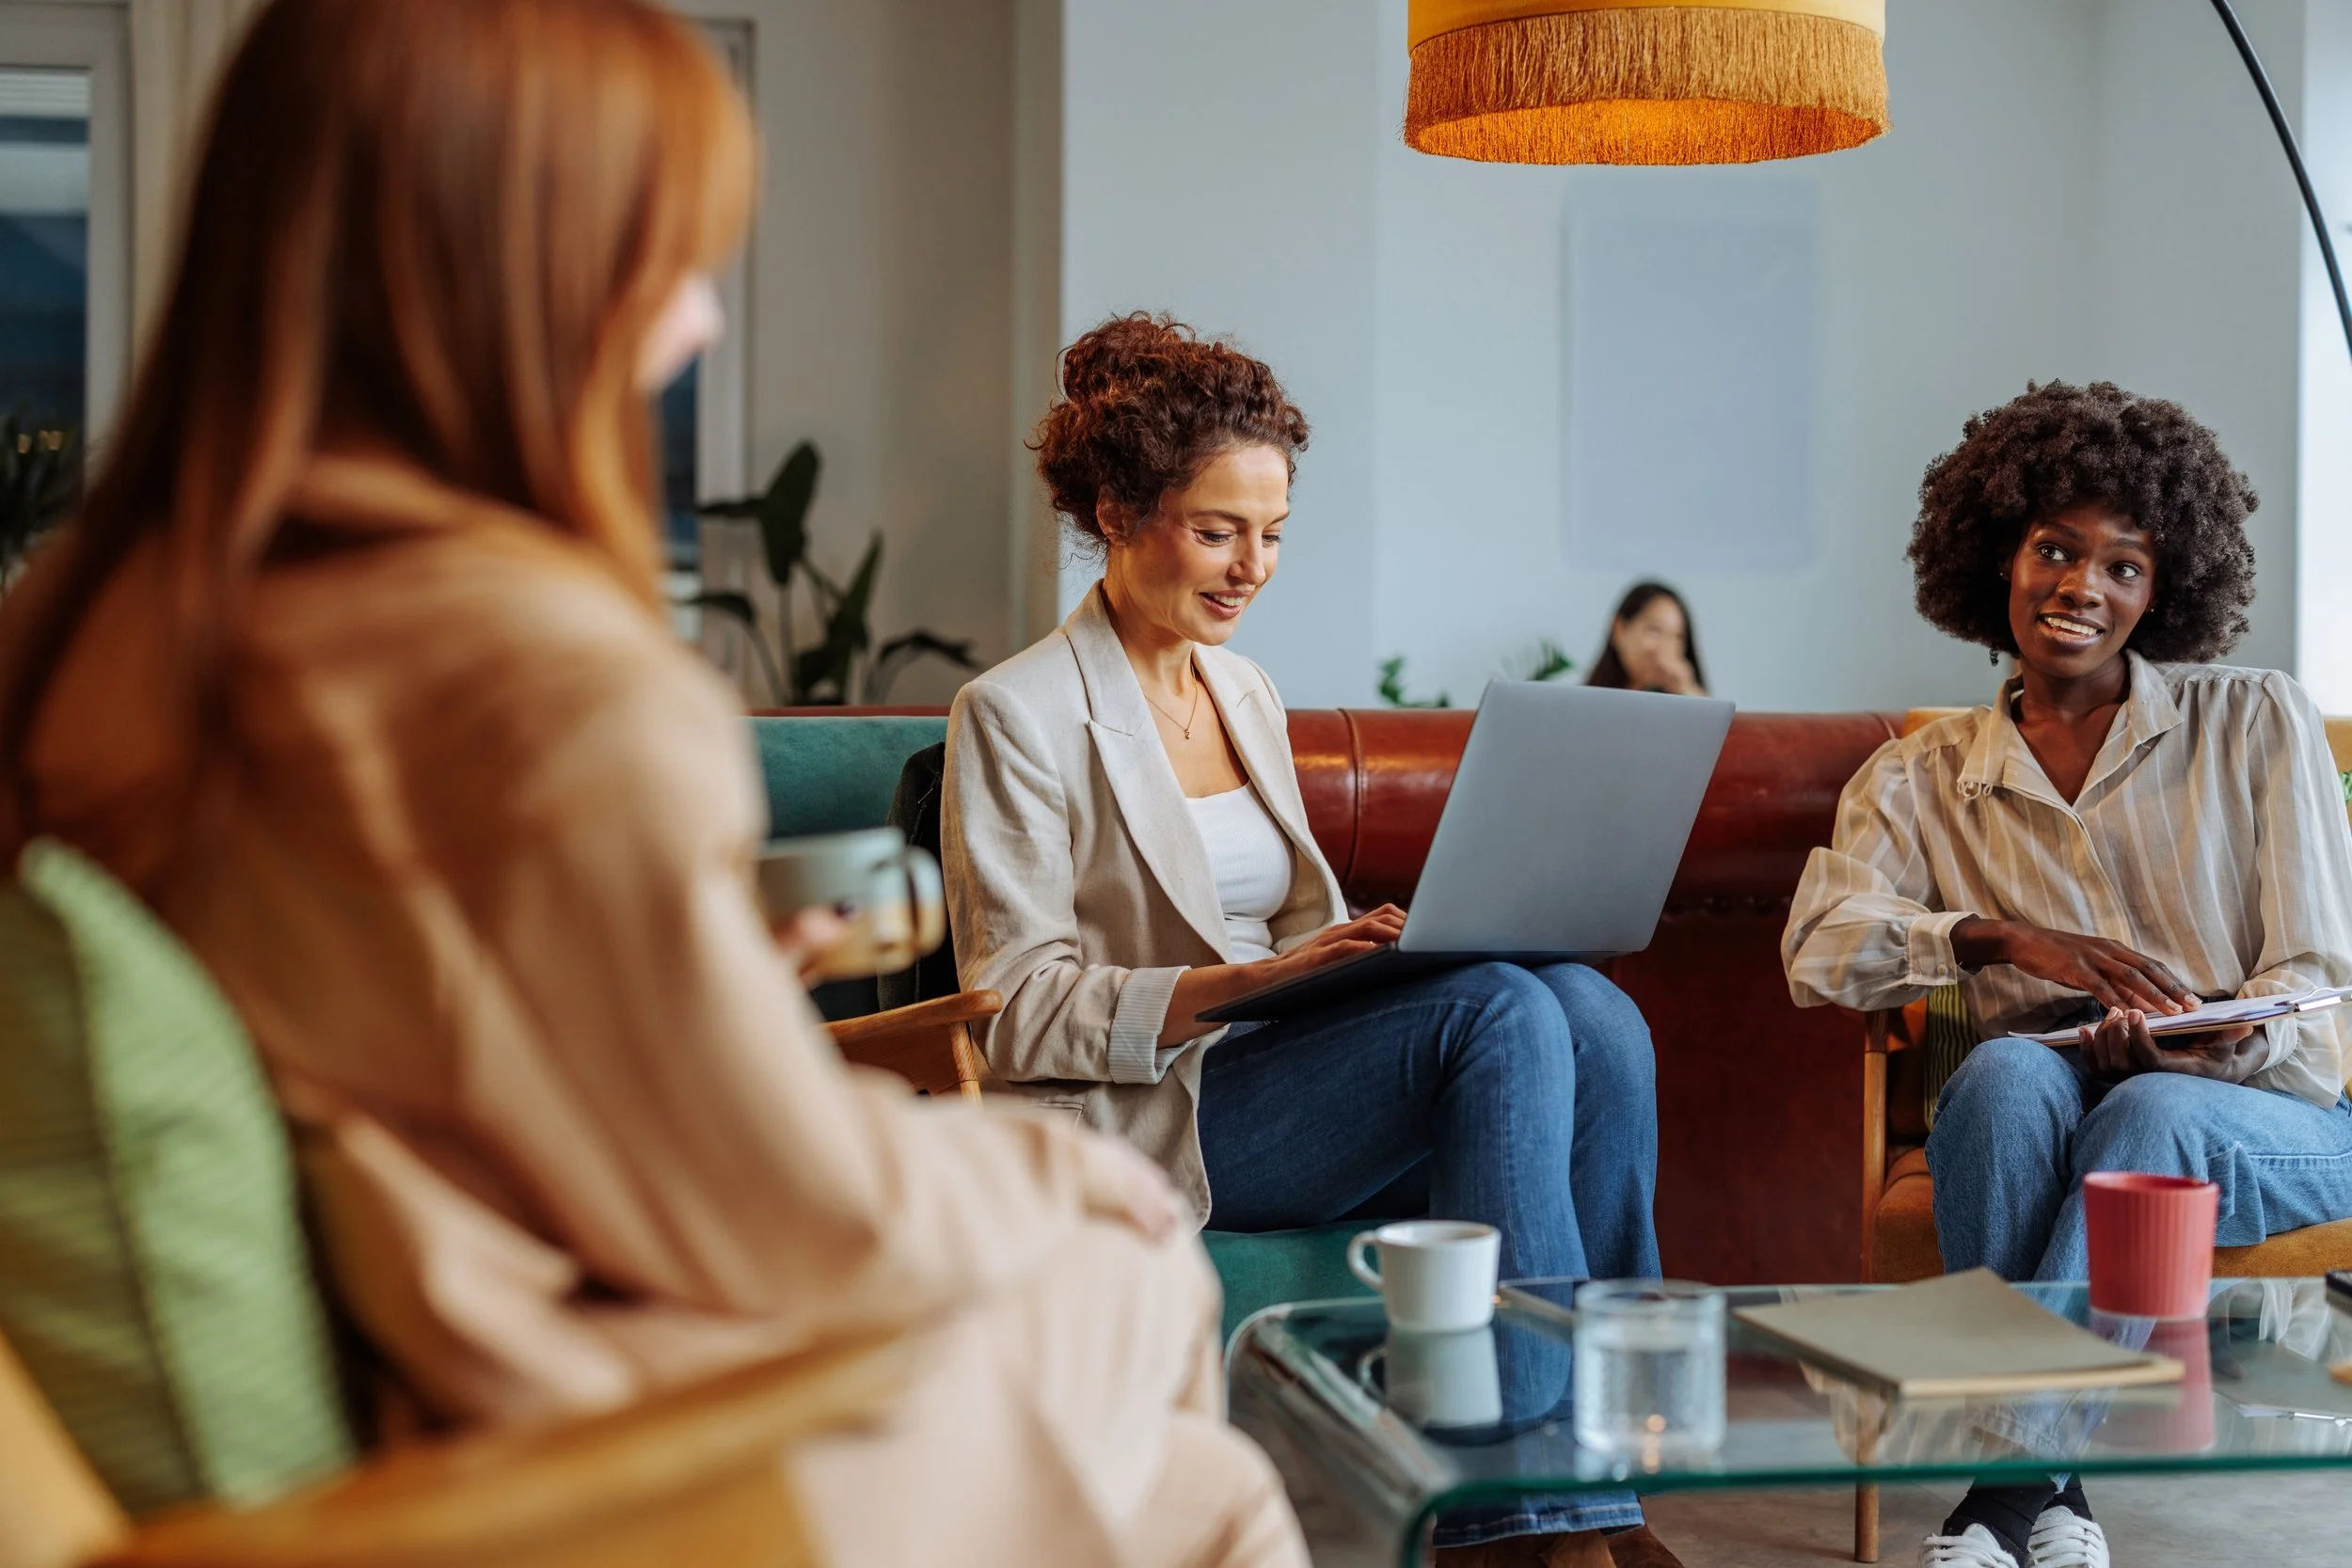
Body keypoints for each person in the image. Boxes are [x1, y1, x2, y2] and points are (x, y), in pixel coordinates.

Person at [0, 5, 1304, 1565]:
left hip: (428, 1333)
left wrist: (681, 985)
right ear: (501, 270)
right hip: (565, 1433)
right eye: (665, 263)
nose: (692, 328)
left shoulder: (89, 628)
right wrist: (1065, 1184)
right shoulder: (537, 675)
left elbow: (411, 1028)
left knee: (1198, 1479)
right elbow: (799, 1219)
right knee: (1139, 1258)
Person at [945, 313, 1681, 1568]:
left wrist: (1354, 949)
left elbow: (1294, 921)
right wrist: (1253, 979)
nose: (1253, 567)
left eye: (1273, 533)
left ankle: (1598, 1486)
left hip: (1293, 1055)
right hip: (1167, 1098)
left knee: (1590, 1008)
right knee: (1499, 1011)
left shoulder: (1245, 692)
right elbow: (1013, 1009)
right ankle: (1511, 1513)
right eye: (1219, 529)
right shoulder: (1014, 712)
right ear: (1120, 511)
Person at [1783, 381, 2352, 1568]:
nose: (2080, 586)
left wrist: (2218, 1041)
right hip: (2049, 1095)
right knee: (1994, 1078)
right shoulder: (1922, 775)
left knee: (2146, 1105)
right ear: (1997, 554)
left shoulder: (2254, 722)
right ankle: (2055, 1489)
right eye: (2053, 548)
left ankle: (2001, 1490)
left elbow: (2318, 981)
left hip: (2272, 1113)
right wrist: (1993, 937)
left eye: (2122, 565)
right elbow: (1817, 947)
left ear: (2163, 589)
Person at [1585, 582, 1707, 696]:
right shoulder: (1585, 704)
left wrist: (1687, 690)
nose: (1665, 647)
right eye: (1655, 630)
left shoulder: (1684, 709)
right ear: (1619, 629)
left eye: (1678, 636)